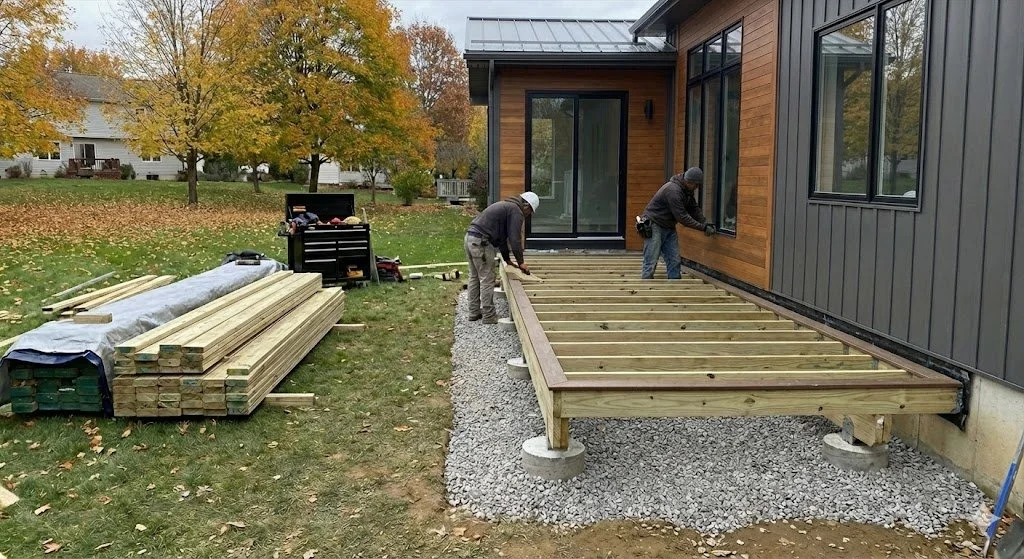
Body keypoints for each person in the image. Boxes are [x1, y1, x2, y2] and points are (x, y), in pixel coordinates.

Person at [464, 191, 540, 323]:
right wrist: (521, 262)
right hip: (481, 242)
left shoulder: (508, 206)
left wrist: (508, 260)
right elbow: (514, 239)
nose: (529, 215)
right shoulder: (516, 211)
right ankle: (488, 316)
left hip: (470, 238)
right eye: (530, 212)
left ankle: (473, 312)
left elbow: (502, 239)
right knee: (487, 279)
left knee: (475, 277)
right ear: (526, 206)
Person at [640, 167, 716, 279]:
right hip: (654, 223)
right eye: (696, 185)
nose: (697, 188)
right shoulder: (673, 191)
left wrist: (705, 222)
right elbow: (682, 217)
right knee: (651, 258)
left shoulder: (687, 191)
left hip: (668, 225)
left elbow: (693, 209)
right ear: (688, 181)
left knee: (674, 259)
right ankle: (646, 285)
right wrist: (703, 228)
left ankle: (674, 283)